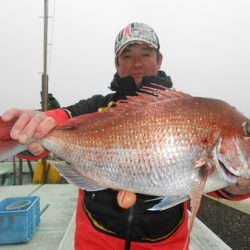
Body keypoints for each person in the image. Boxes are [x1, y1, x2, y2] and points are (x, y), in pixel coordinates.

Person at [2, 22, 250, 250]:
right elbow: (60, 120)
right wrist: (34, 127)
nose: (137, 63)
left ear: (159, 59)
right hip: (95, 242)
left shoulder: (189, 111)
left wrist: (240, 186)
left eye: (145, 54)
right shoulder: (97, 107)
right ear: (116, 63)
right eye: (127, 56)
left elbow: (222, 187)